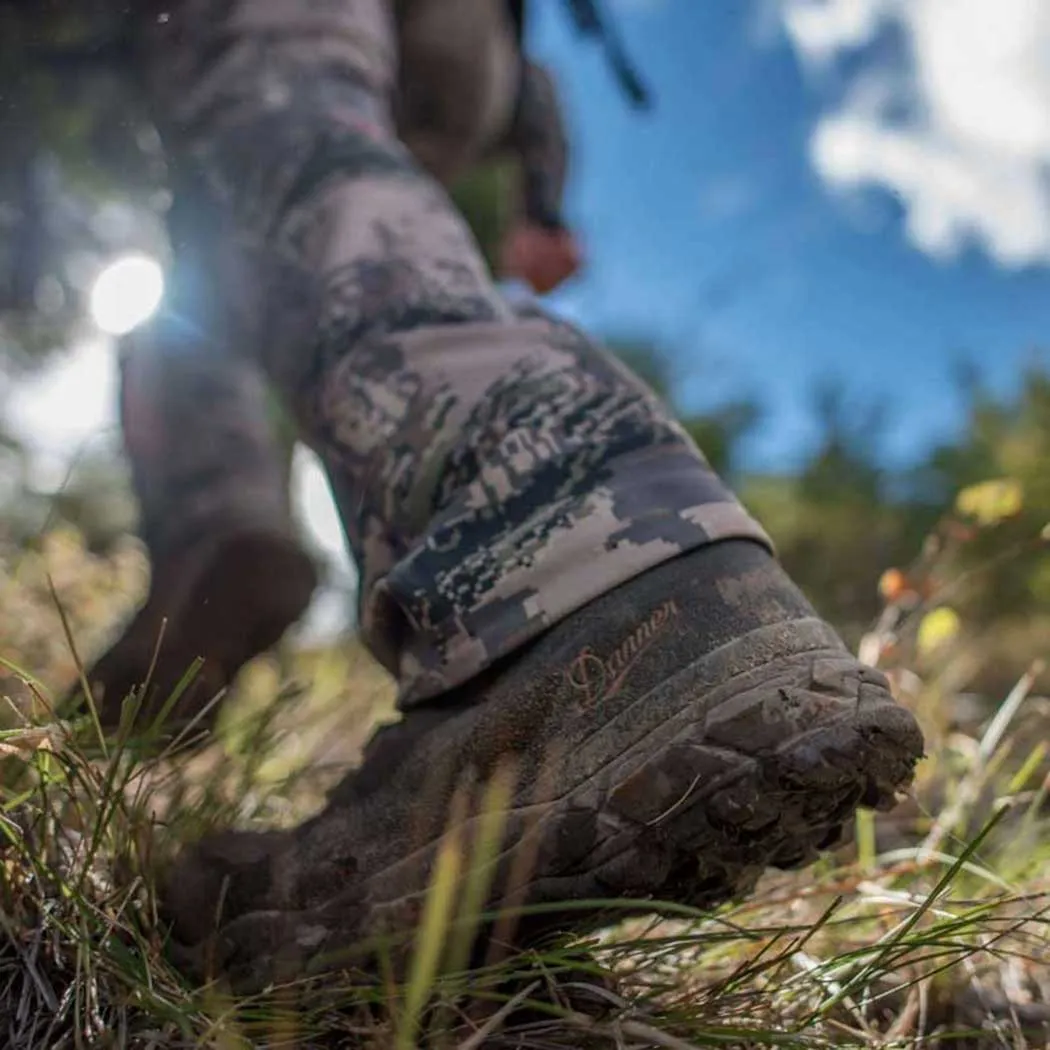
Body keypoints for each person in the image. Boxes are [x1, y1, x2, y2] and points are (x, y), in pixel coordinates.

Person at [78, 0, 924, 992]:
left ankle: (574, 567)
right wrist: (544, 202)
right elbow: (538, 92)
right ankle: (217, 543)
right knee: (219, 271)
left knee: (286, 135)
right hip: (475, 59)